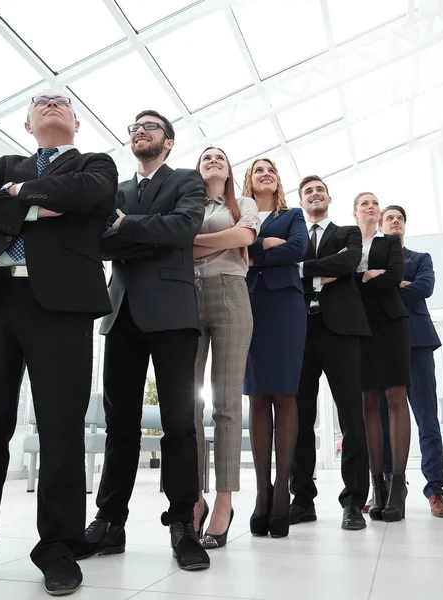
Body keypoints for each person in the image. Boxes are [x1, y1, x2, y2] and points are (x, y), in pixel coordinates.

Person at [0, 90, 117, 595]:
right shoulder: (4, 162)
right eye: (41, 102)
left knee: (61, 427)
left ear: (77, 123)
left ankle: (58, 546)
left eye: (62, 102)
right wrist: (40, 207)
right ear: (27, 122)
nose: (51, 103)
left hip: (62, 304)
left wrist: (17, 197)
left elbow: (94, 198)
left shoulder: (95, 163)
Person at [82, 110, 210, 571]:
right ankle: (109, 522)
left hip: (173, 316)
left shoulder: (186, 181)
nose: (139, 131)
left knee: (179, 425)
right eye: (134, 126)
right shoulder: (112, 191)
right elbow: (95, 241)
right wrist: (137, 231)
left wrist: (126, 227)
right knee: (120, 425)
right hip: (121, 316)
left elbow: (184, 228)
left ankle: (183, 524)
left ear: (169, 142)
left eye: (150, 126)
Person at [290, 175, 370, 531]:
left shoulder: (348, 233)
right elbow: (283, 270)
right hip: (300, 331)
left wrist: (305, 269)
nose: (315, 194)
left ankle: (353, 502)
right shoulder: (295, 235)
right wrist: (326, 269)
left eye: (319, 190)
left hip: (342, 331)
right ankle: (302, 500)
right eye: (308, 192)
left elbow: (349, 262)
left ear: (329, 198)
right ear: (301, 201)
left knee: (352, 418)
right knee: (299, 420)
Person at [191, 147, 259, 549]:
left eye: (220, 156)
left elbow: (244, 236)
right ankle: (193, 497)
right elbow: (228, 239)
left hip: (232, 294)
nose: (213, 160)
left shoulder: (243, 201)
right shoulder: (184, 198)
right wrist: (221, 241)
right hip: (185, 297)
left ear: (229, 168)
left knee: (227, 405)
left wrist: (191, 241)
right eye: (206, 157)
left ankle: (223, 501)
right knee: (188, 405)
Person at [240, 158, 308, 539]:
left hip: (284, 305)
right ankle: (261, 493)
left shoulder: (292, 213)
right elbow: (232, 252)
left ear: (278, 180)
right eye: (257, 169)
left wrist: (253, 253)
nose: (265, 173)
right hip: (247, 303)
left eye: (271, 169)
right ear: (248, 179)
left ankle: (282, 491)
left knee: (284, 394)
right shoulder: (240, 213)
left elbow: (298, 249)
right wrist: (263, 243)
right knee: (256, 396)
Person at [379, 205, 443, 517]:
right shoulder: (371, 260)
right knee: (380, 420)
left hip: (417, 343)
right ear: (380, 226)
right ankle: (385, 489)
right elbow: (368, 290)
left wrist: (391, 282)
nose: (396, 220)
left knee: (427, 419)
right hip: (380, 344)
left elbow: (426, 288)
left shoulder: (420, 259)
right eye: (390, 217)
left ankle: (435, 490)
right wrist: (402, 285)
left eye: (400, 218)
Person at [353, 193, 411, 522]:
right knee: (367, 403)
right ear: (355, 212)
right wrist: (367, 276)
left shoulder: (390, 241)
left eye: (376, 203)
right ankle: (377, 486)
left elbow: (393, 276)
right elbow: (342, 279)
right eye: (365, 203)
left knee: (395, 396)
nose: (372, 207)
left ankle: (398, 484)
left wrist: (362, 280)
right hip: (359, 328)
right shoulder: (345, 241)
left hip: (391, 323)